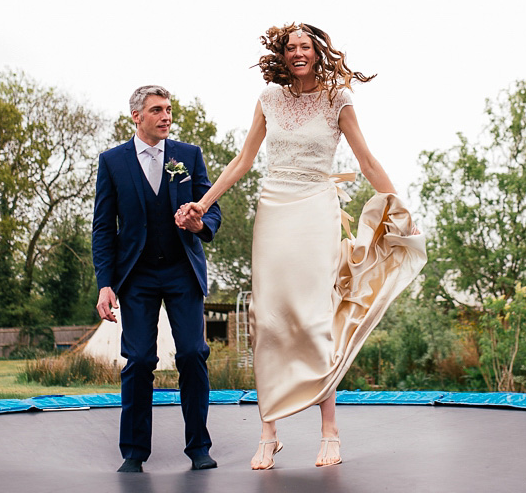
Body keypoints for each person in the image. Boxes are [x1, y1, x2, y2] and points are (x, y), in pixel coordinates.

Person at [177, 23, 426, 470]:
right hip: (274, 208)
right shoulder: (269, 98)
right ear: (283, 54)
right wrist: (202, 201)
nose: (297, 53)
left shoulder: (338, 99)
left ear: (317, 52)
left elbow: (366, 159)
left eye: (304, 47)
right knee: (267, 319)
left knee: (314, 317)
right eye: (290, 47)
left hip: (316, 207)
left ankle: (329, 429)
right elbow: (243, 160)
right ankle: (268, 432)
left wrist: (399, 208)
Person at [93, 85, 222, 473]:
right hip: (137, 276)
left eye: (168, 110)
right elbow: (103, 228)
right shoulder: (112, 162)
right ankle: (133, 453)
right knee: (139, 360)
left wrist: (200, 223)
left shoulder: (188, 156)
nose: (166, 116)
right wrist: (105, 282)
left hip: (182, 271)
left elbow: (212, 209)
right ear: (137, 116)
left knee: (192, 355)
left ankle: (199, 447)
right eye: (157, 110)